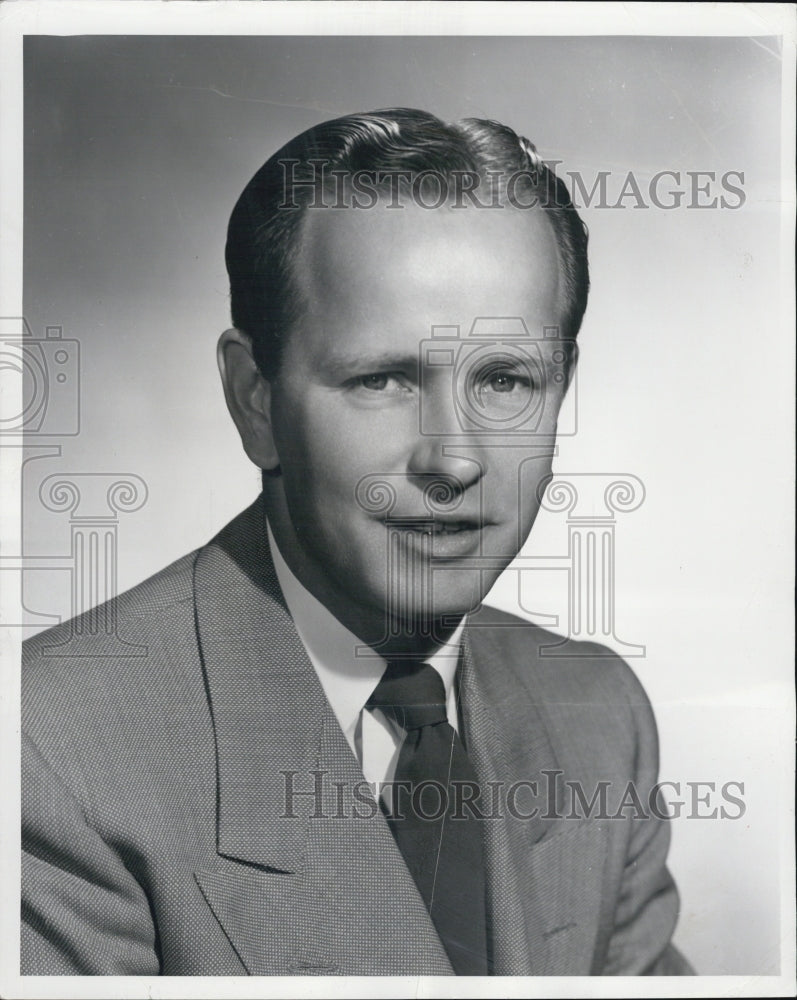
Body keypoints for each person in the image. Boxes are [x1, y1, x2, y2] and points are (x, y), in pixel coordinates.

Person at [21, 108, 693, 976]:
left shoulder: (599, 717)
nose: (452, 458)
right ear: (253, 397)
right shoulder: (50, 751)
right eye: (381, 378)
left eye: (505, 380)